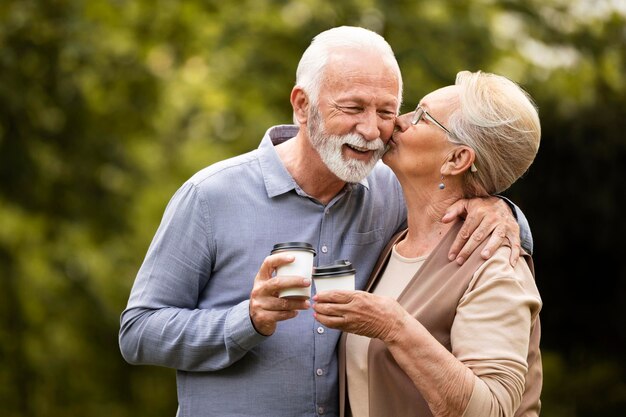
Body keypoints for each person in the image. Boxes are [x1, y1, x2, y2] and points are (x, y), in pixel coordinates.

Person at [119, 27, 532, 417]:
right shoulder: (211, 197)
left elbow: (461, 217)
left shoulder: (395, 192)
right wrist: (247, 319)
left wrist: (501, 209)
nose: (371, 130)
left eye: (387, 111)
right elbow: (138, 333)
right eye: (353, 108)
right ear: (302, 105)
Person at [313, 70, 542, 417]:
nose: (398, 122)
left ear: (457, 160)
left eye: (421, 116)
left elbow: (494, 409)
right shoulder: (395, 240)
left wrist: (393, 325)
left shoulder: (496, 265)